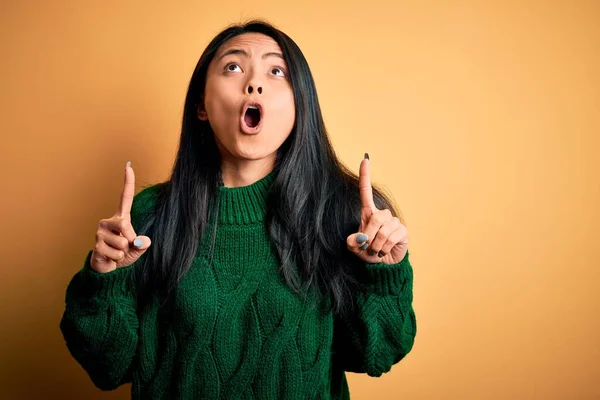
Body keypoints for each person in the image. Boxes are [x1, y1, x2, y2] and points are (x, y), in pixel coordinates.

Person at [60, 20, 416, 400]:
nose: (254, 82)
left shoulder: (344, 214)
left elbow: (376, 356)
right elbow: (107, 368)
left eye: (277, 71)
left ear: (300, 105)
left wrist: (383, 273)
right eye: (233, 66)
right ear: (201, 105)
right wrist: (104, 278)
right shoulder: (148, 218)